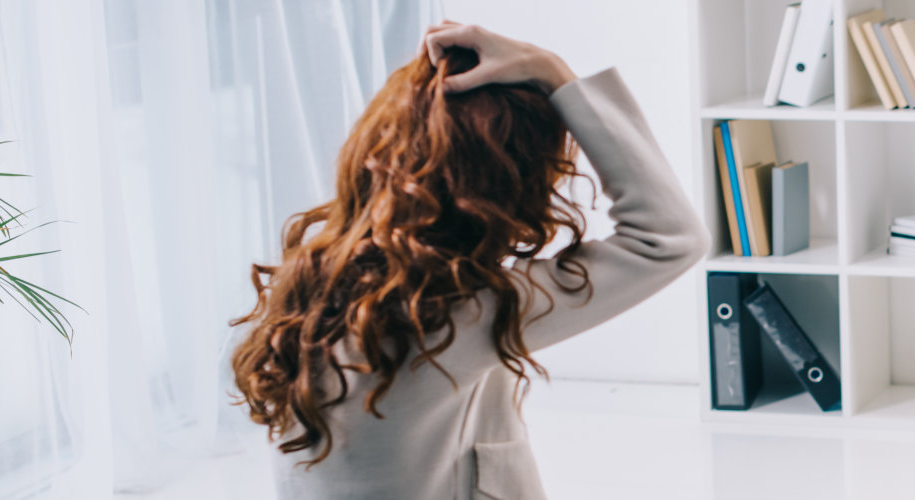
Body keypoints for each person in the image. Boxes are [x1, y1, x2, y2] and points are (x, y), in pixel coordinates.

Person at [229, 22, 707, 499]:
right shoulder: (461, 310)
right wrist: (554, 73)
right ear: (508, 185)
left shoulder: (319, 281)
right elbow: (669, 238)